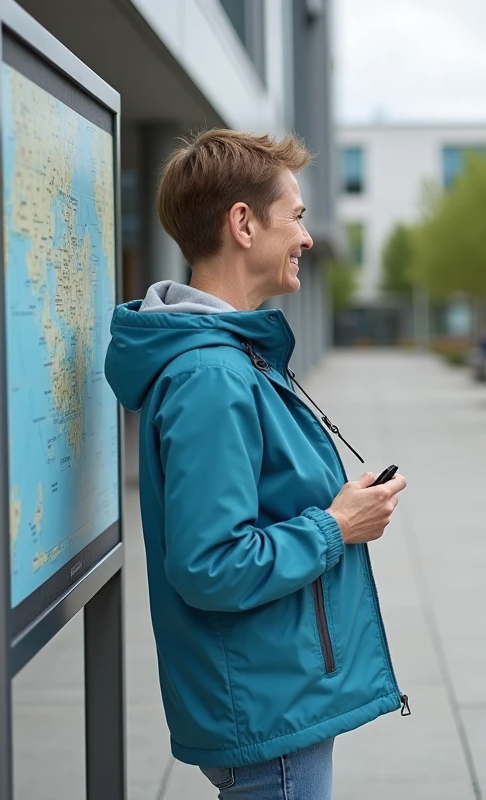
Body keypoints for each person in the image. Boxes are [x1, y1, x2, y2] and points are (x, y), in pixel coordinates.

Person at [104, 129, 409, 800]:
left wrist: (340, 509)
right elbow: (211, 561)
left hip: (272, 691)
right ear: (243, 223)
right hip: (268, 707)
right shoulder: (213, 376)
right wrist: (336, 527)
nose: (305, 237)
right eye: (296, 216)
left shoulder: (232, 358)